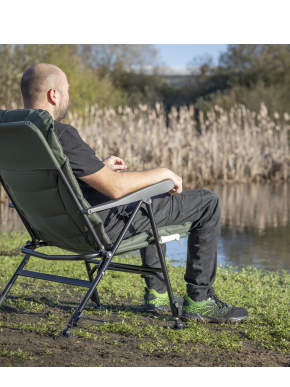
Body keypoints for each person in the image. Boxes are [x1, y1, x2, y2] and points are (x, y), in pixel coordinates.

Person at [20, 63, 249, 323]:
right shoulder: (60, 133)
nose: (68, 96)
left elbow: (54, 179)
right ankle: (199, 300)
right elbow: (116, 188)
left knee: (151, 197)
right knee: (207, 202)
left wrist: (98, 168)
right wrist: (164, 172)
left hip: (54, 229)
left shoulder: (21, 133)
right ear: (54, 95)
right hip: (100, 227)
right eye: (67, 90)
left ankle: (158, 295)